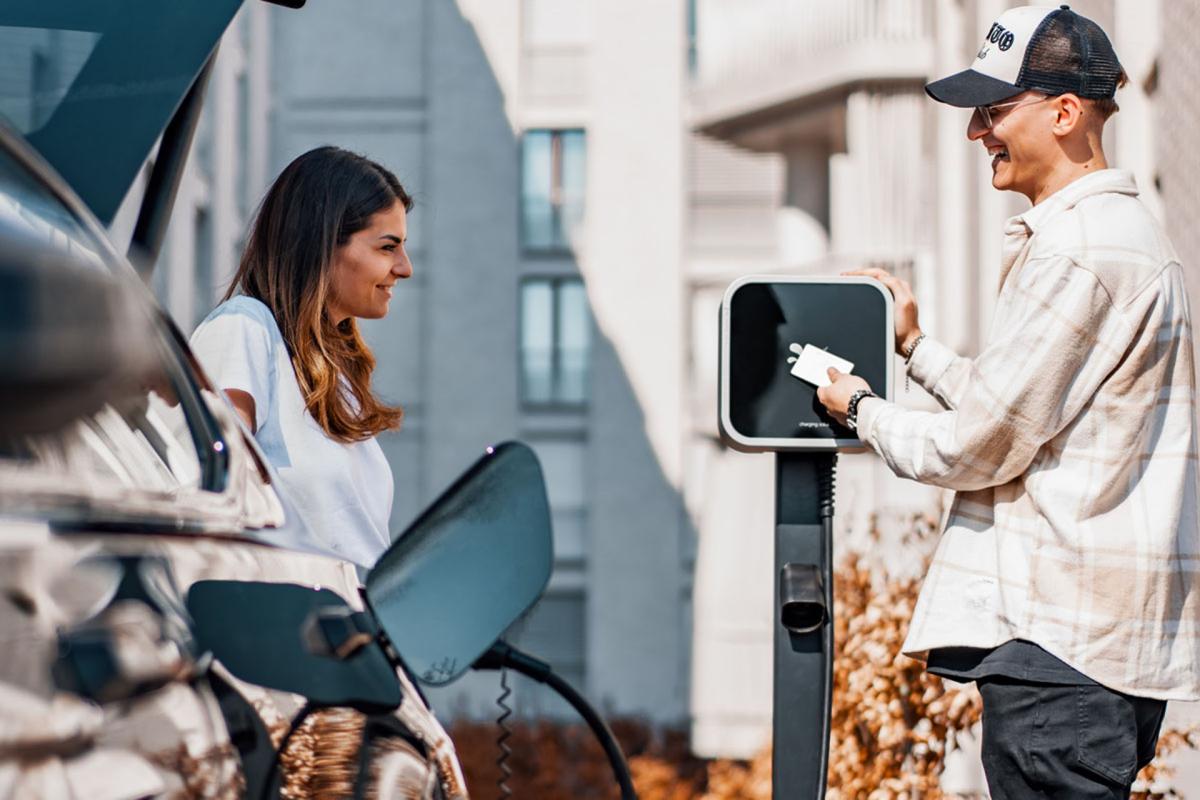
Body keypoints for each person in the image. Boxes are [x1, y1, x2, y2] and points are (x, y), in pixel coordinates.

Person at [816, 6, 1198, 798]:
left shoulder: (1080, 251)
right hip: (1083, 660)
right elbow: (1027, 417)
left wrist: (857, 409)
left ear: (1063, 114)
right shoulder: (1111, 239)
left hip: (1064, 658)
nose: (975, 133)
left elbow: (978, 447)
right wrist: (916, 350)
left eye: (992, 110)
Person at [191, 146, 413, 568]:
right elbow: (210, 498)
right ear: (325, 243)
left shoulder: (334, 376)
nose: (405, 267)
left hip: (353, 621)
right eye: (388, 247)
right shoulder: (244, 329)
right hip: (285, 622)